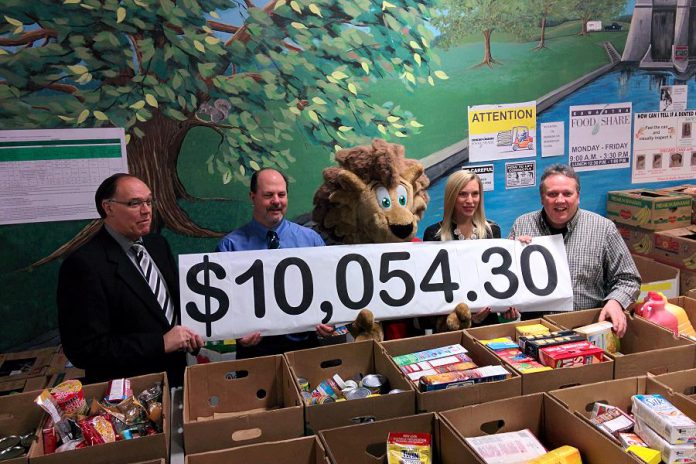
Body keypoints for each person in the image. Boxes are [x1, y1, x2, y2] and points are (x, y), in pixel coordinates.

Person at [57, 173, 203, 387]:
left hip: (176, 377)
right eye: (135, 203)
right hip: (129, 395)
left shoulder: (157, 245)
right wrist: (160, 343)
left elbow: (173, 309)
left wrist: (196, 330)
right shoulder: (83, 266)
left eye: (148, 201)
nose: (146, 211)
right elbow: (85, 349)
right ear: (108, 208)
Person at [509, 164, 640, 337]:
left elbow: (629, 279)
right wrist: (515, 252)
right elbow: (508, 286)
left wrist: (616, 302)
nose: (560, 200)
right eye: (552, 194)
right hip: (535, 332)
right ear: (542, 198)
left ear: (578, 197)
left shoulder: (603, 229)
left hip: (588, 330)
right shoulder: (522, 225)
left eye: (567, 193)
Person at [216, 168, 334, 358]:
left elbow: (328, 291)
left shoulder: (312, 240)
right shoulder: (229, 247)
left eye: (282, 194)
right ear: (252, 197)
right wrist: (236, 334)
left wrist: (331, 320)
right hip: (255, 353)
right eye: (268, 195)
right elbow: (222, 306)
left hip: (306, 349)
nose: (276, 201)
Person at [423, 170, 519, 325]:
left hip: (488, 321)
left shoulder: (492, 231)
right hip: (451, 325)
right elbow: (434, 292)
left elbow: (498, 280)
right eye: (463, 194)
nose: (470, 200)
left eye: (475, 194)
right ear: (452, 197)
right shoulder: (433, 234)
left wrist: (520, 247)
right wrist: (468, 318)